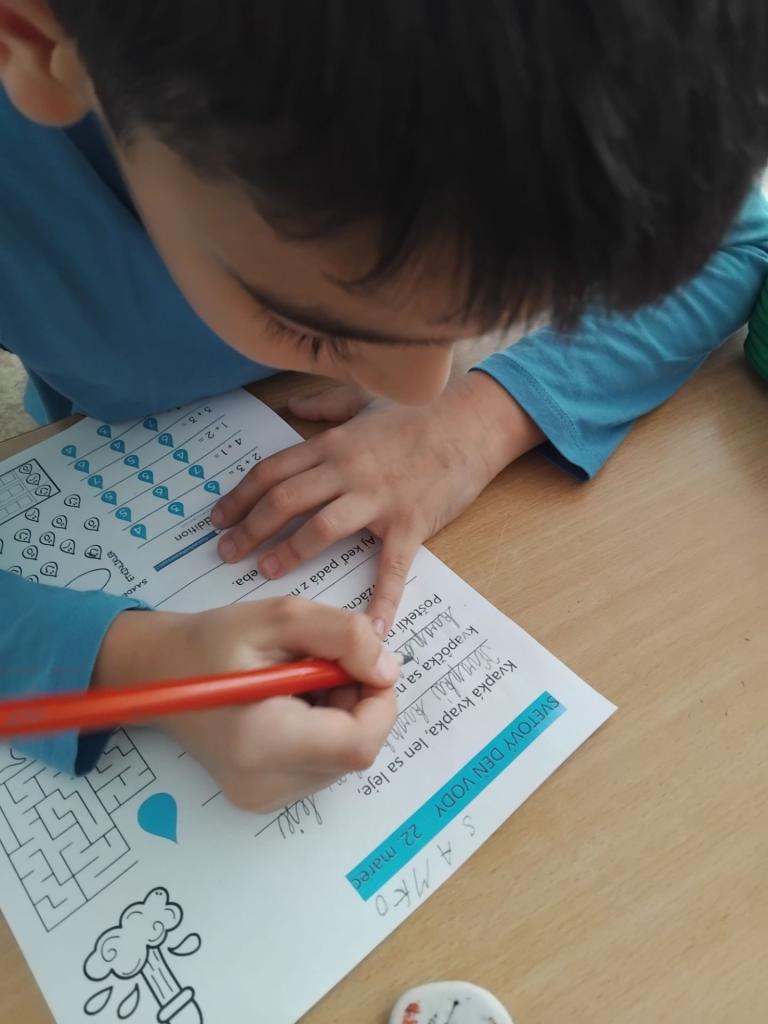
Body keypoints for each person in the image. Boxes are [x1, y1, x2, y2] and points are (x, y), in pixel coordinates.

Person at [1, 1, 767, 812]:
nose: (419, 390)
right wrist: (137, 662)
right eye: (311, 325)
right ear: (41, 49)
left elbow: (739, 240)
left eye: (481, 319)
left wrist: (480, 418)